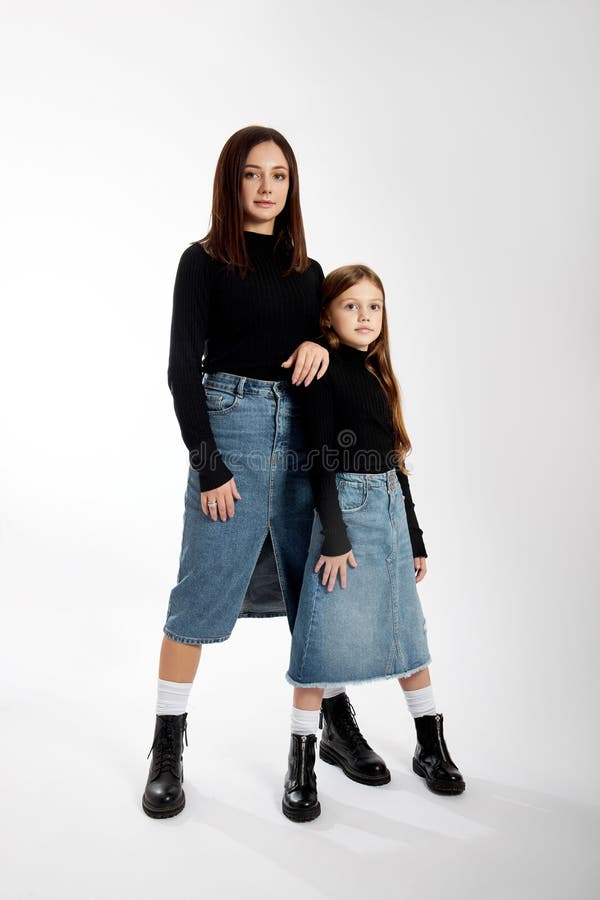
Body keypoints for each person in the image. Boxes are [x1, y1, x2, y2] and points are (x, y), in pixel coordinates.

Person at [142, 126, 387, 818]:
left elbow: (334, 342)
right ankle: (167, 744)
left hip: (304, 441)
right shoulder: (202, 263)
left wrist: (316, 337)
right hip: (234, 434)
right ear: (231, 182)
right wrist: (209, 464)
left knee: (319, 589)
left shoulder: (308, 272)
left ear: (291, 184)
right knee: (199, 591)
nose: (266, 187)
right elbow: (179, 370)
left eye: (279, 175)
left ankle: (331, 728)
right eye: (253, 174)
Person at [281, 264, 466, 822]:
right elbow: (318, 457)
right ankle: (302, 761)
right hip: (346, 515)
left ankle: (430, 746)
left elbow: (395, 464)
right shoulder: (323, 368)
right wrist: (334, 537)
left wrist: (414, 536)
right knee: (318, 645)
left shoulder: (378, 374)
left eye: (375, 307)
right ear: (327, 316)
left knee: (410, 636)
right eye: (351, 306)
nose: (365, 316)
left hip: (386, 510)